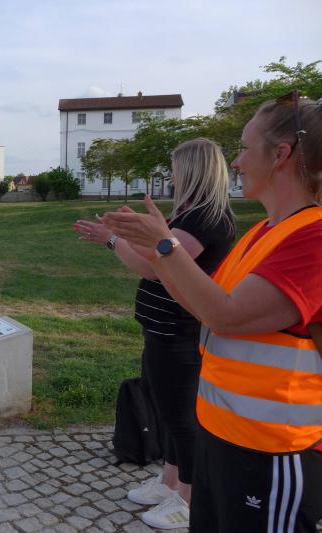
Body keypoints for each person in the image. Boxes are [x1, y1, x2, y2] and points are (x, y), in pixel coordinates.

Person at [102, 92, 322, 532]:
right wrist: (157, 249)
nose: (235, 162)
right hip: (223, 437)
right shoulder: (263, 232)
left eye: (244, 147)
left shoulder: (311, 237)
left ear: (281, 155)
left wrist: (164, 246)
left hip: (275, 450)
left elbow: (226, 315)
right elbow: (204, 306)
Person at [75, 138, 236, 529]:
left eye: (176, 169)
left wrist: (114, 239)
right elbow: (154, 255)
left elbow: (152, 267)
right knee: (166, 409)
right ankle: (170, 481)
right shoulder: (188, 215)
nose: (172, 176)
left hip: (179, 331)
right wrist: (133, 234)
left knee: (181, 417)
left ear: (193, 171)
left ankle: (189, 499)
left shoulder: (204, 220)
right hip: (160, 329)